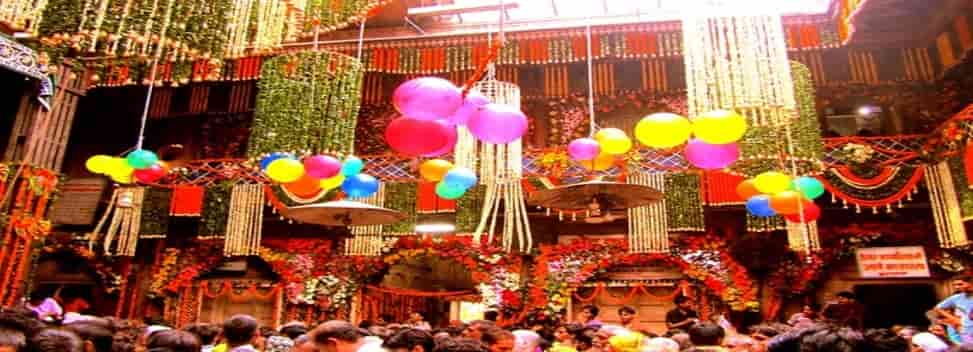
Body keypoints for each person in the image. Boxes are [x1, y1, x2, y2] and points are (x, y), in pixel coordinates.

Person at [937, 275, 973, 344]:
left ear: (970, 283)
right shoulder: (956, 298)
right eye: (954, 285)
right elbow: (938, 308)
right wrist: (953, 319)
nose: (957, 287)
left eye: (960, 284)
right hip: (966, 333)